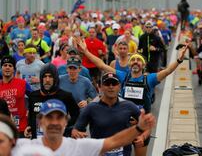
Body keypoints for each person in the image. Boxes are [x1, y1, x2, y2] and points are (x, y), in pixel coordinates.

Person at [12, 99, 156, 156]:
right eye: (49, 117)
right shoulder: (23, 147)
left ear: (65, 122)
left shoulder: (79, 147)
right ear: (40, 121)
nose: (54, 122)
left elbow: (114, 141)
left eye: (59, 117)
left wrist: (138, 128)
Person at [72, 72, 149, 156]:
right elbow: (76, 130)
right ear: (100, 87)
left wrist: (142, 137)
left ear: (119, 87)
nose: (111, 87)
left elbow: (147, 126)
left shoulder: (128, 106)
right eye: (107, 84)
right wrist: (76, 134)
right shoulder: (91, 108)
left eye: (114, 83)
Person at [27, 63, 79, 138]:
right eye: (45, 76)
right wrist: (29, 126)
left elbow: (76, 115)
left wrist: (66, 128)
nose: (47, 80)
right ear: (41, 78)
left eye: (50, 76)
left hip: (59, 141)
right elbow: (32, 115)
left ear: (55, 78)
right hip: (38, 142)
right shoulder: (33, 95)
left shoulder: (66, 96)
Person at [0, 56, 31, 136]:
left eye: (10, 66)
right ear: (1, 68)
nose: (7, 67)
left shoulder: (22, 83)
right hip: (3, 128)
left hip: (21, 128)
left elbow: (34, 98)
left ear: (14, 69)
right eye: (5, 65)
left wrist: (30, 113)